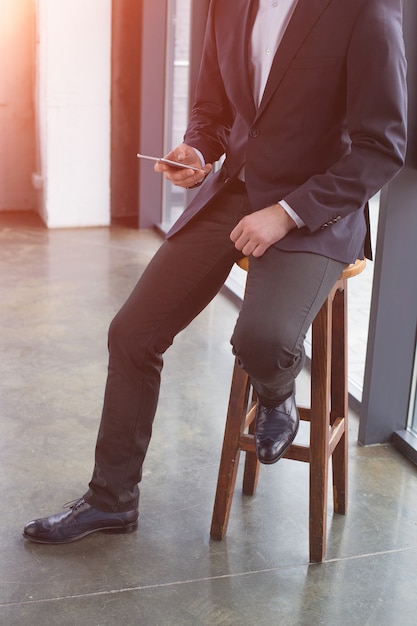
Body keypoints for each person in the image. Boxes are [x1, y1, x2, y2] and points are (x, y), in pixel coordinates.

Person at [23, 0, 407, 544]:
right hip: (235, 190)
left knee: (263, 338)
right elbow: (213, 110)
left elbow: (381, 147)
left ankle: (275, 395)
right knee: (132, 334)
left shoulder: (363, 8)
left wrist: (287, 213)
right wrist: (197, 147)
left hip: (315, 208)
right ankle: (111, 500)